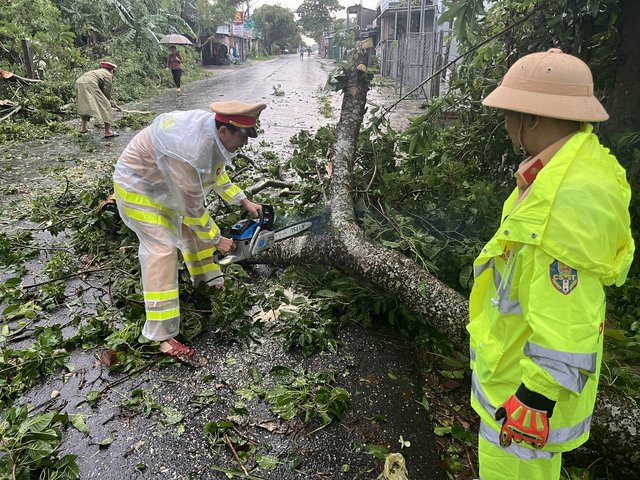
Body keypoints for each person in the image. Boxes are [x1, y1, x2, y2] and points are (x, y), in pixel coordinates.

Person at [468, 48, 634, 479]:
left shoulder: (563, 202)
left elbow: (570, 314)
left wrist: (534, 398)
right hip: (514, 381)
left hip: (522, 412)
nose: (506, 124)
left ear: (533, 118)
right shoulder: (560, 171)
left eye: (509, 113)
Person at [112, 101, 266, 358]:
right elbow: (192, 206)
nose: (245, 144)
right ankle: (161, 336)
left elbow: (215, 173)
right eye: (242, 137)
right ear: (224, 132)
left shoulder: (211, 134)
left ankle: (208, 281)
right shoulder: (188, 150)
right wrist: (218, 239)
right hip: (138, 187)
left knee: (196, 232)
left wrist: (243, 200)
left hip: (164, 186)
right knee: (162, 249)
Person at [75, 61, 121, 138]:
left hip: (79, 82)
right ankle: (108, 131)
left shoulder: (98, 72)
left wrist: (115, 105)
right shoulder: (107, 75)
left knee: (85, 105)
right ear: (112, 70)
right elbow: (106, 94)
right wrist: (113, 105)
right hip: (90, 83)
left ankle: (83, 128)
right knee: (106, 105)